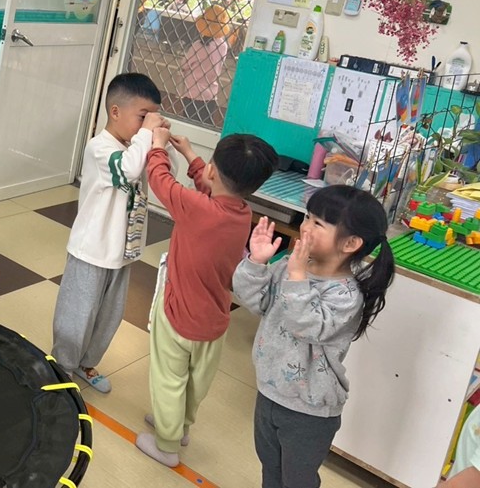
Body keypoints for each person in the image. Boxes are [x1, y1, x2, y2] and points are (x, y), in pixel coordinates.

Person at [233, 185, 396, 488]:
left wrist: (297, 277)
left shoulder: (346, 295)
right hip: (269, 390)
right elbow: (257, 302)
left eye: (318, 223)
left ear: (351, 243)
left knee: (298, 480)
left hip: (309, 410)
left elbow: (305, 325)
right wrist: (256, 263)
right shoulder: (290, 266)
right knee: (270, 467)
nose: (305, 226)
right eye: (307, 216)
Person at [136, 131, 278, 467]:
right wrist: (191, 155)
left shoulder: (196, 208)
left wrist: (158, 147)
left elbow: (160, 181)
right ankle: (180, 428)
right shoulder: (242, 212)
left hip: (177, 315)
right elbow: (211, 188)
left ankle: (167, 445)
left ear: (213, 170)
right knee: (195, 382)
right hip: (215, 321)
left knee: (168, 379)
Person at [51, 73, 163, 393]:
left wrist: (160, 145)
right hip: (90, 251)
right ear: (115, 112)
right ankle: (62, 367)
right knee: (77, 314)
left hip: (121, 252)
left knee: (108, 316)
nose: (147, 125)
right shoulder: (100, 148)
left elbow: (163, 175)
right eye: (143, 117)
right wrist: (146, 137)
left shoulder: (136, 147)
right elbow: (127, 170)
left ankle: (86, 362)